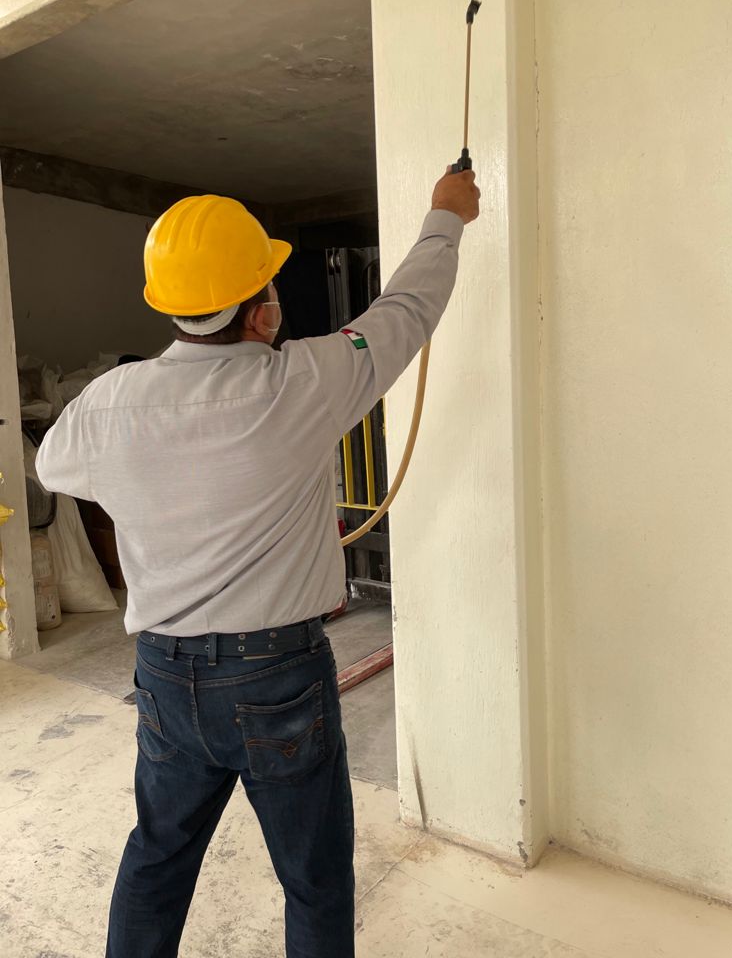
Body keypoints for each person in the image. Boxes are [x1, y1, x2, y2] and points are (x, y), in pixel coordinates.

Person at [35, 167, 481, 958]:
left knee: (156, 860)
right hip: (278, 676)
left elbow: (52, 468)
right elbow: (405, 310)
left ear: (171, 303)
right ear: (257, 310)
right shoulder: (305, 381)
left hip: (165, 675)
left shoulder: (109, 401)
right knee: (314, 880)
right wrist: (446, 215)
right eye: (269, 285)